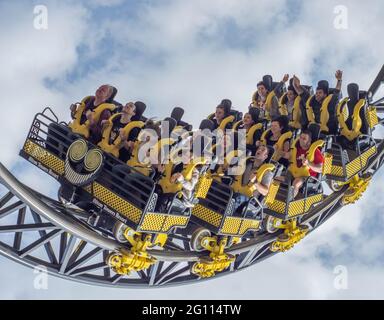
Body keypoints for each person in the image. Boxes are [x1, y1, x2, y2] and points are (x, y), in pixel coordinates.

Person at [291, 130, 324, 198]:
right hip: (295, 172)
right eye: (300, 138)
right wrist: (280, 153)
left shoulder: (315, 151)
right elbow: (289, 156)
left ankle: (289, 202)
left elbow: (321, 169)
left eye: (304, 139)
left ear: (309, 141)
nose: (301, 140)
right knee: (277, 178)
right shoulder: (297, 148)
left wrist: (308, 163)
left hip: (308, 176)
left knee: (296, 183)